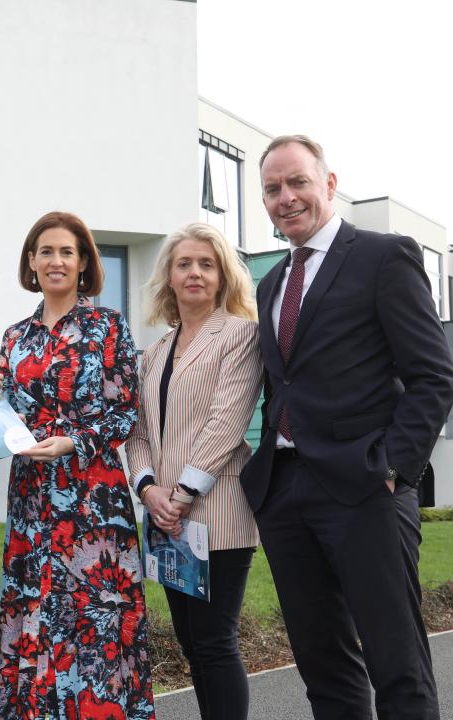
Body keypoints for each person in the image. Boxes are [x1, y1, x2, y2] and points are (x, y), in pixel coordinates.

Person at [239, 134, 453, 720]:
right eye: (273, 189)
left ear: (329, 184)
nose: (286, 198)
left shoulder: (385, 256)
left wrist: (391, 467)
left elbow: (434, 375)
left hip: (364, 490)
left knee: (398, 663)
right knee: (322, 668)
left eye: (298, 182)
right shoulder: (272, 283)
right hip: (285, 493)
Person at [0, 211, 154, 719]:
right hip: (31, 500)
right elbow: (5, 415)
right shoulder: (13, 337)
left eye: (67, 252)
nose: (56, 261)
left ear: (84, 262)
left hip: (93, 501)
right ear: (31, 262)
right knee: (36, 614)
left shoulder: (109, 327)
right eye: (46, 251)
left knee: (93, 624)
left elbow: (125, 411)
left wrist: (73, 441)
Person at [127, 222, 262, 719]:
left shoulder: (240, 335)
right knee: (191, 646)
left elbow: (228, 422)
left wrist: (180, 493)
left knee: (215, 642)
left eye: (207, 264)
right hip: (165, 517)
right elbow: (137, 431)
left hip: (216, 512)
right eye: (184, 263)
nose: (195, 273)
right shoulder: (156, 351)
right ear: (168, 276)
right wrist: (147, 490)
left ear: (223, 275)